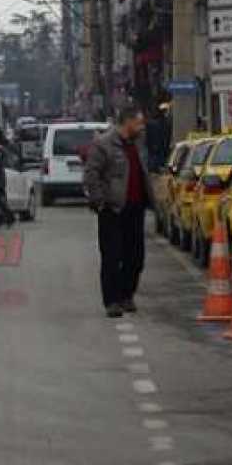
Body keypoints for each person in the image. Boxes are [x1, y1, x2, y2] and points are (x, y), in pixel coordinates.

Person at [83, 106, 155, 318]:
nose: (142, 127)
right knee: (112, 257)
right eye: (139, 123)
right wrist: (99, 201)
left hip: (136, 207)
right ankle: (112, 300)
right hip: (112, 209)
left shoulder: (138, 144)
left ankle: (126, 294)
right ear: (127, 122)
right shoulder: (104, 144)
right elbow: (91, 174)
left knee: (136, 257)